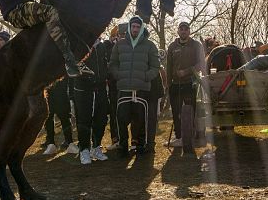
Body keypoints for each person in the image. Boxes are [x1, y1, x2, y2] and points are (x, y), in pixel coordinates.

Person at [109, 15, 160, 156]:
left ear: (141, 28)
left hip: (141, 89)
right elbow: (113, 63)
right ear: (129, 28)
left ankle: (141, 146)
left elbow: (155, 67)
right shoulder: (119, 45)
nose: (135, 29)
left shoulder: (149, 45)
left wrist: (145, 77)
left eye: (138, 27)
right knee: (121, 119)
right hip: (124, 88)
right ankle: (123, 146)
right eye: (133, 26)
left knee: (141, 120)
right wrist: (118, 75)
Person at [71, 37, 112, 164]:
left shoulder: (102, 46)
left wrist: (105, 77)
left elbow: (106, 65)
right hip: (83, 90)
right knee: (84, 120)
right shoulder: (80, 44)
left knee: (101, 119)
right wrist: (88, 79)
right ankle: (84, 150)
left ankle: (96, 147)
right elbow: (75, 66)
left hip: (100, 89)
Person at [165, 22, 205, 147]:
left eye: (186, 29)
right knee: (176, 112)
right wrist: (168, 83)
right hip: (175, 84)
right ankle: (178, 138)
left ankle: (190, 137)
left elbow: (201, 64)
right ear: (178, 31)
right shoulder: (172, 46)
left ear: (189, 31)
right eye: (181, 29)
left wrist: (187, 71)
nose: (183, 31)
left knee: (190, 112)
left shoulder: (196, 45)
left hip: (191, 84)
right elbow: (168, 66)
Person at [42, 79, 76, 155]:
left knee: (65, 117)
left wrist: (71, 95)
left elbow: (69, 78)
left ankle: (70, 143)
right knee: (49, 118)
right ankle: (51, 143)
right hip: (48, 94)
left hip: (62, 93)